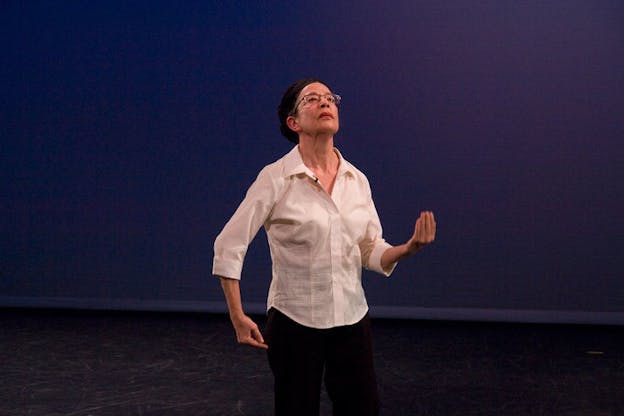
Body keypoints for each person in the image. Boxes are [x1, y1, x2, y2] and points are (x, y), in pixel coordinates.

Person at [213, 78, 436, 415]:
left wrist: (407, 248)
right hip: (294, 322)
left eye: (330, 98)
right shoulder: (275, 178)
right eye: (312, 99)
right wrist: (236, 314)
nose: (324, 103)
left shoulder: (355, 179)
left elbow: (368, 248)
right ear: (294, 122)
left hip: (351, 319)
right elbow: (229, 244)